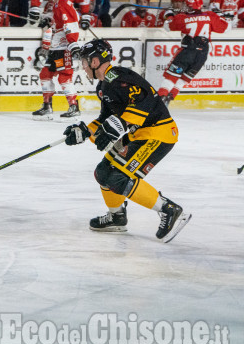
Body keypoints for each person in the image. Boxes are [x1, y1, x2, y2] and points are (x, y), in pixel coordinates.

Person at [62, 39, 191, 243]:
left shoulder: (120, 78)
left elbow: (145, 100)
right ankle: (117, 217)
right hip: (139, 134)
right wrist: (85, 131)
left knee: (117, 178)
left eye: (86, 62)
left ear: (95, 61)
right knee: (103, 172)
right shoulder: (104, 86)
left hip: (158, 133)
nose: (83, 66)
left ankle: (170, 210)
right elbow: (105, 119)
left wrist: (118, 126)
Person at [157, 0, 229, 105]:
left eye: (187, 6)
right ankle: (171, 96)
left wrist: (169, 15)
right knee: (186, 77)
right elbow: (225, 28)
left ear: (190, 7)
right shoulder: (210, 16)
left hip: (187, 52)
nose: (186, 8)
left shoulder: (183, 18)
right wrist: (220, 16)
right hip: (202, 55)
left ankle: (160, 100)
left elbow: (167, 26)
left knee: (171, 77)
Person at [31, 0, 82, 120]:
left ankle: (74, 107)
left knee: (64, 77)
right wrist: (46, 21)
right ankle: (47, 107)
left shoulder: (64, 4)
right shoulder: (56, 5)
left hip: (63, 49)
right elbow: (56, 23)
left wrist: (73, 45)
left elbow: (70, 24)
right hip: (55, 49)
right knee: (45, 74)